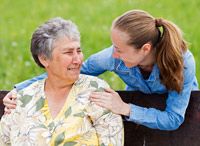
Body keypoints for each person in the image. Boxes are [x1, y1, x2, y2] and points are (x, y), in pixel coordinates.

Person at [3, 9, 198, 131]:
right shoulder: (113, 56)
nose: (114, 54)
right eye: (114, 47)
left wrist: (124, 108)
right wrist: (21, 89)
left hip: (180, 114)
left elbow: (173, 119)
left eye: (119, 50)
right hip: (138, 108)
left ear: (145, 49)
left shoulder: (182, 63)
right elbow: (69, 72)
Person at [0, 17, 123, 146]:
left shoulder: (95, 89)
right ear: (44, 59)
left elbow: (112, 140)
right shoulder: (22, 99)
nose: (78, 60)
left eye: (79, 51)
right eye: (69, 52)